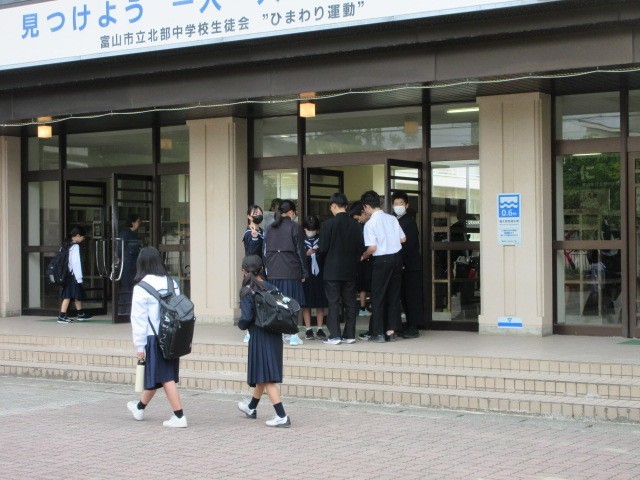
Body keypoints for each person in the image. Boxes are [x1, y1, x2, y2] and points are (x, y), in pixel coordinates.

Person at [127, 246, 187, 428]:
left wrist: (139, 346)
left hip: (153, 338)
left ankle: (179, 416)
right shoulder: (172, 283)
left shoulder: (141, 287)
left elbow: (138, 319)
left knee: (165, 376)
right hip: (172, 336)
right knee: (159, 374)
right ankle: (139, 407)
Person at [237, 255, 291, 427]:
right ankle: (251, 407)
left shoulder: (247, 290)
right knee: (263, 372)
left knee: (267, 378)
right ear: (261, 269)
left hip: (259, 335)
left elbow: (246, 318)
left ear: (244, 271)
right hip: (275, 334)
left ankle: (282, 416)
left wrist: (241, 325)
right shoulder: (272, 287)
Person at [319, 193, 365, 344]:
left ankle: (334, 335)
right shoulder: (356, 225)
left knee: (333, 302)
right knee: (350, 302)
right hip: (350, 269)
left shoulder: (327, 224)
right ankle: (350, 335)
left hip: (332, 270)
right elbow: (360, 248)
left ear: (333, 205)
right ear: (346, 206)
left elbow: (322, 249)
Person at [360, 190, 405, 342]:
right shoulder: (392, 219)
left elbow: (372, 248)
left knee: (378, 297)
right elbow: (403, 239)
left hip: (381, 261)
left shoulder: (370, 224)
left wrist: (364, 255)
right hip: (397, 259)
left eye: (364, 208)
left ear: (367, 206)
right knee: (393, 295)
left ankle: (378, 333)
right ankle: (391, 332)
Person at [263, 199, 308, 346]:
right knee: (292, 304)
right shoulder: (295, 227)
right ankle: (293, 335)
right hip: (291, 271)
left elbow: (264, 252)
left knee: (278, 304)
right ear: (291, 212)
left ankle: (281, 333)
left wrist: (268, 270)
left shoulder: (269, 228)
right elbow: (300, 251)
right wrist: (304, 272)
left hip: (274, 272)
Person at [391, 191, 424, 338]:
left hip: (410, 265)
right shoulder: (392, 220)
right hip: (400, 265)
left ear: (407, 205)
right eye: (396, 203)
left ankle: (414, 326)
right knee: (403, 296)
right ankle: (407, 324)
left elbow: (408, 245)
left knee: (412, 296)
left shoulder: (409, 222)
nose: (398, 206)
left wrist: (401, 261)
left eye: (401, 203)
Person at [301, 215, 328, 340]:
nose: (310, 231)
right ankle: (308, 329)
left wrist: (319, 252)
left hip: (320, 274)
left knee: (320, 302)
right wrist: (305, 254)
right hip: (306, 275)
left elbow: (326, 254)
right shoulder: (301, 240)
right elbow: (297, 257)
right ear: (304, 228)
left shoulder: (321, 239)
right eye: (308, 229)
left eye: (313, 229)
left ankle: (320, 328)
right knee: (306, 303)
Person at [57, 226, 93, 324]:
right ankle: (62, 316)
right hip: (72, 274)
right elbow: (76, 263)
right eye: (83, 237)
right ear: (77, 236)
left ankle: (80, 313)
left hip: (66, 274)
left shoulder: (65, 245)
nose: (83, 239)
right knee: (68, 295)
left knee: (77, 293)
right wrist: (79, 278)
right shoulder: (75, 247)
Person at [241, 205, 265, 343]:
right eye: (255, 213)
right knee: (251, 300)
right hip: (251, 271)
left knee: (261, 299)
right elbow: (251, 253)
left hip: (261, 271)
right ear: (249, 216)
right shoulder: (248, 233)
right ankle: (249, 331)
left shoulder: (262, 231)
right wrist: (255, 239)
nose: (258, 215)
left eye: (260, 213)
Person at [349, 201, 372, 320]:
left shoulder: (367, 225)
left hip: (362, 259)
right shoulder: (359, 226)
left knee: (362, 285)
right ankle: (361, 308)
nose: (358, 221)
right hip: (361, 259)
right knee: (361, 285)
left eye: (358, 218)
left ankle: (360, 308)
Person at [117, 213, 142, 315]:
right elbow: (119, 250)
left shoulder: (131, 233)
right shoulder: (126, 234)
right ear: (133, 222)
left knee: (128, 287)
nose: (139, 223)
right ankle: (126, 310)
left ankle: (124, 310)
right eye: (138, 221)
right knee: (128, 287)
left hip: (131, 263)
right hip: (127, 264)